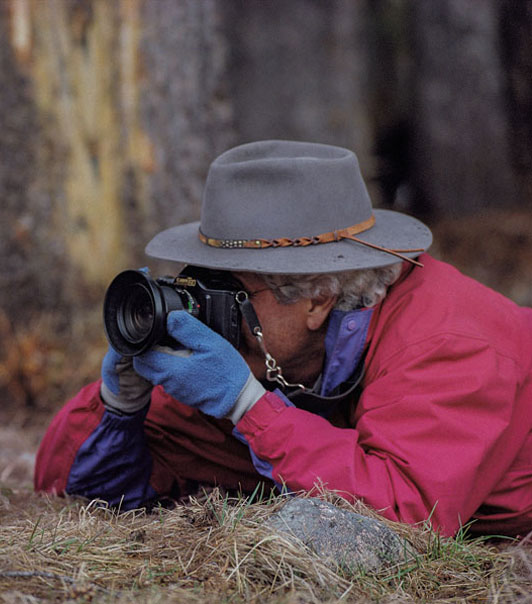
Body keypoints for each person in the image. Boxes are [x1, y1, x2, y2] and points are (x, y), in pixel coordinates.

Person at [34, 140, 532, 538]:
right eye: (201, 281)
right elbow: (70, 490)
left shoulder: (450, 341)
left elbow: (407, 517)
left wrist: (252, 410)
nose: (208, 309)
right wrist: (120, 407)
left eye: (231, 291)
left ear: (317, 299)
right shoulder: (256, 359)